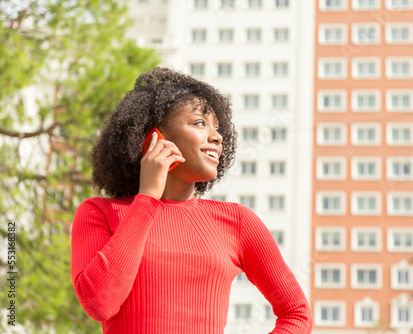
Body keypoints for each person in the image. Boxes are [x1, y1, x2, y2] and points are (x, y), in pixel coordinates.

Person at [70, 67, 313, 333]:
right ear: (154, 138)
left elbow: (296, 313)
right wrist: (147, 199)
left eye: (217, 129)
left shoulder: (238, 222)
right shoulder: (99, 212)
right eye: (199, 123)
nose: (217, 137)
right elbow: (99, 304)